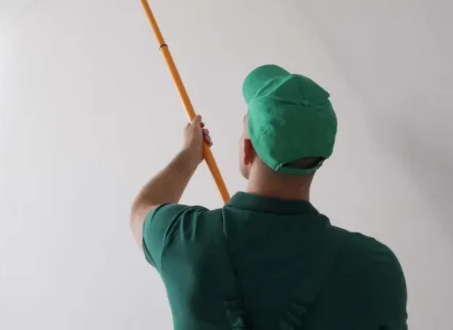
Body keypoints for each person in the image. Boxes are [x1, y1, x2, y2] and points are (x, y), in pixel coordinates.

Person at [131, 64, 408, 329]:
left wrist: (189, 155)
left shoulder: (185, 238)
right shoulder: (375, 268)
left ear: (247, 150)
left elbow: (142, 209)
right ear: (320, 157)